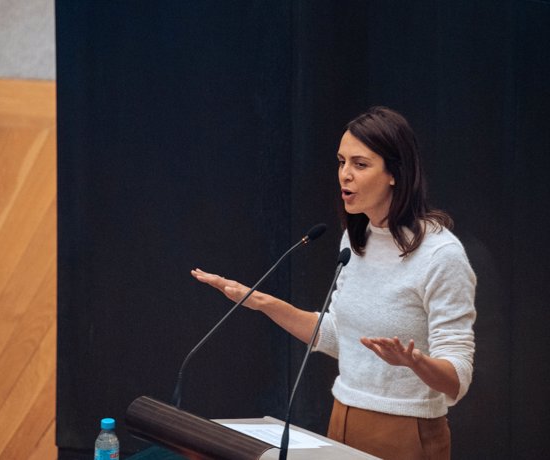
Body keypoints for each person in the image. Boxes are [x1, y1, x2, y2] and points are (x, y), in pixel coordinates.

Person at [191, 106, 476, 460]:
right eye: (341, 162)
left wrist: (414, 362)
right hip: (342, 418)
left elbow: (458, 377)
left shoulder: (440, 255)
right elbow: (338, 336)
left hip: (407, 431)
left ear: (395, 173)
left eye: (360, 164)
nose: (345, 175)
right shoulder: (355, 240)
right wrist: (262, 303)